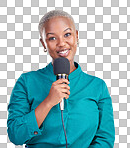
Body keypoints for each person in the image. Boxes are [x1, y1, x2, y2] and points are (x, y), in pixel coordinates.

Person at [7, 10, 115, 148]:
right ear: (43, 44)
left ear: (76, 36)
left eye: (67, 34)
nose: (61, 43)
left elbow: (105, 139)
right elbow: (16, 135)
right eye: (52, 38)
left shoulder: (97, 86)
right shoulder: (27, 82)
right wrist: (48, 102)